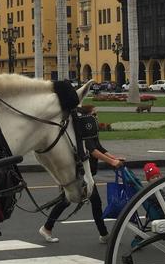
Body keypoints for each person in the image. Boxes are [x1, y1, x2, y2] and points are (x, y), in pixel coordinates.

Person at [39, 104, 124, 244]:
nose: (96, 117)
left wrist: (114, 158)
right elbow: (92, 150)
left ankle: (47, 228)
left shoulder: (91, 131)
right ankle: (104, 234)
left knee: (67, 201)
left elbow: (99, 147)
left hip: (87, 172)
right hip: (82, 173)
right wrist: (111, 162)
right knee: (92, 202)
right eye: (94, 114)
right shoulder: (85, 132)